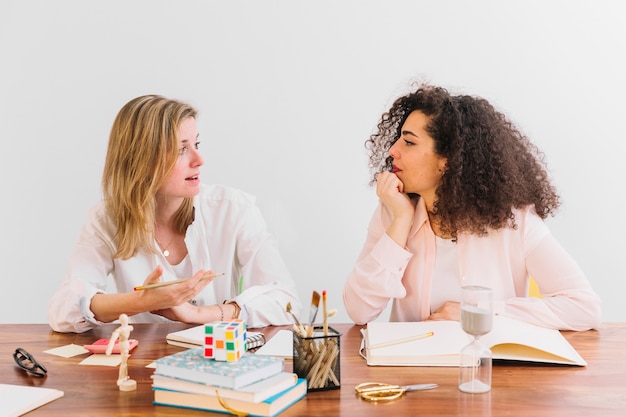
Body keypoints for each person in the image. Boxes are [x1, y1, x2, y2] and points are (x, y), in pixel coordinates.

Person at [343, 82, 601, 331]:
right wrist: (401, 221)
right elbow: (359, 310)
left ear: (447, 159)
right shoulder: (394, 210)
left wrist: (480, 311)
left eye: (409, 142)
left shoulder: (514, 221)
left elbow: (583, 306)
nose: (392, 150)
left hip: (489, 370)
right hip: (413, 373)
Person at [48, 94, 302, 333]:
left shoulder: (233, 209)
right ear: (141, 162)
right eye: (181, 149)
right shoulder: (105, 220)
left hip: (221, 364)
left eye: (197, 144)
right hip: (144, 367)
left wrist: (198, 314)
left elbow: (286, 301)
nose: (199, 159)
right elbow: (63, 309)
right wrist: (139, 301)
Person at [105, 313, 136, 391]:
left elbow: (131, 328)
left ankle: (124, 376)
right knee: (123, 362)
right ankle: (121, 378)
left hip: (126, 344)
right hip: (123, 344)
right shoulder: (121, 330)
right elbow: (113, 339)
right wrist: (110, 348)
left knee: (125, 362)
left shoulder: (128, 328)